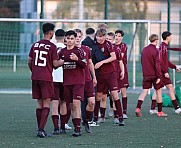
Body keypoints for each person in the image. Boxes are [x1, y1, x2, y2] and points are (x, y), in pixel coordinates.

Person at [28, 23, 64, 138]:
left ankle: (40, 128)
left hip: (35, 77)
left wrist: (34, 71)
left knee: (39, 103)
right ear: (51, 32)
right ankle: (41, 129)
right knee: (47, 102)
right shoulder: (52, 47)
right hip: (46, 78)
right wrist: (62, 62)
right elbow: (55, 64)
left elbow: (29, 61)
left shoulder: (35, 45)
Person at [93, 28, 124, 126]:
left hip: (111, 74)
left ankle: (120, 118)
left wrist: (101, 62)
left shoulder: (108, 44)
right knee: (99, 96)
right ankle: (98, 117)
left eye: (102, 36)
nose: (100, 38)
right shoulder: (94, 45)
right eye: (98, 36)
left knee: (114, 94)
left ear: (105, 36)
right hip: (100, 75)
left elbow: (114, 57)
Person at [58, 30, 86, 137]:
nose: (70, 41)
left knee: (76, 104)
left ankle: (77, 129)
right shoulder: (62, 52)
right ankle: (68, 126)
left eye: (72, 38)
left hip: (78, 82)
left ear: (75, 39)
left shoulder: (79, 51)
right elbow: (56, 64)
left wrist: (77, 59)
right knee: (70, 105)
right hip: (67, 82)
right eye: (68, 38)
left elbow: (84, 65)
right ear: (65, 39)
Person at [135, 34, 167, 117]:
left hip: (146, 74)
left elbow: (142, 62)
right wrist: (160, 76)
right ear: (156, 40)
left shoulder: (144, 50)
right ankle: (160, 112)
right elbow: (157, 64)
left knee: (144, 91)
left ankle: (138, 108)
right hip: (155, 75)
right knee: (158, 91)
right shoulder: (156, 51)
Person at [151, 31, 181, 114]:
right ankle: (177, 108)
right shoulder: (163, 47)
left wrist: (174, 67)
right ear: (167, 37)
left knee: (158, 89)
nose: (171, 38)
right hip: (162, 73)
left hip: (160, 72)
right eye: (170, 36)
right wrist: (165, 72)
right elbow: (161, 61)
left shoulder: (164, 46)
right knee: (170, 89)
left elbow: (166, 61)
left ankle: (152, 109)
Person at [82, 27, 105, 126]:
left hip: (79, 75)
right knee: (92, 98)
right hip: (91, 76)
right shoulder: (94, 47)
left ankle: (83, 119)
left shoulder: (80, 46)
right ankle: (90, 119)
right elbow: (99, 60)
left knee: (81, 99)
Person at [74, 29, 97, 133]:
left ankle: (86, 120)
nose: (77, 38)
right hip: (77, 81)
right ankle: (77, 127)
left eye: (79, 36)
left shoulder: (86, 49)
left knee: (92, 102)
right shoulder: (70, 50)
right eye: (76, 36)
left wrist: (94, 77)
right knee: (77, 105)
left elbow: (90, 63)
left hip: (88, 80)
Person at [51, 29, 71, 135]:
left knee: (55, 104)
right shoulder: (67, 49)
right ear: (64, 37)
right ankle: (63, 127)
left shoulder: (52, 48)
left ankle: (55, 128)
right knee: (63, 103)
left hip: (53, 79)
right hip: (65, 79)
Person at [114, 30, 129, 119]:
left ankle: (124, 112)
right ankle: (115, 111)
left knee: (123, 92)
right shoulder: (111, 46)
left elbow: (120, 56)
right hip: (113, 71)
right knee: (114, 92)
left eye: (119, 36)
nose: (117, 37)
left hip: (122, 71)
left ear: (122, 37)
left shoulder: (123, 46)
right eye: (116, 35)